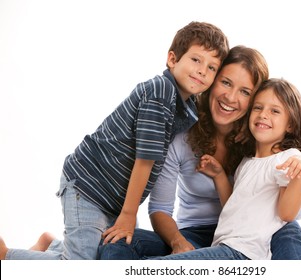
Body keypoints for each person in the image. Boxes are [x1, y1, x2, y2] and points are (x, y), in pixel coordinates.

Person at [0, 21, 229, 260]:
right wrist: (129, 215)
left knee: (105, 253)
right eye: (196, 60)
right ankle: (6, 255)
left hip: (114, 196)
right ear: (172, 59)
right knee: (81, 266)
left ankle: (51, 246)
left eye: (212, 67)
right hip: (90, 187)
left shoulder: (187, 105)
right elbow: (145, 159)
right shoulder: (161, 93)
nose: (203, 70)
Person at [98, 48, 301, 260]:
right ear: (211, 82)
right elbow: (160, 208)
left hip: (251, 238)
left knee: (288, 230)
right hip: (195, 234)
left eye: (245, 92)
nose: (230, 97)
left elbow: (292, 212)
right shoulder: (182, 137)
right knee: (116, 242)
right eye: (226, 83)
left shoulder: (263, 142)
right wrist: (177, 241)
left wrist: (295, 170)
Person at [148, 77, 301, 260]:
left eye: (275, 111)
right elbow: (234, 206)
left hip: (244, 252)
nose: (263, 115)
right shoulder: (247, 161)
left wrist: (298, 176)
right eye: (258, 107)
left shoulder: (288, 158)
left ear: (290, 124)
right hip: (225, 246)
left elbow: (287, 214)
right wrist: (219, 175)